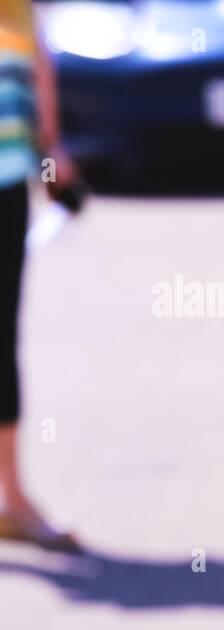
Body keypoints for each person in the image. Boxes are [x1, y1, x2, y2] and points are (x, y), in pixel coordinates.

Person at [0, 0, 78, 550]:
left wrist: (51, 147)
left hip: (8, 176)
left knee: (2, 338)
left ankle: (11, 499)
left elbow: (36, 60)